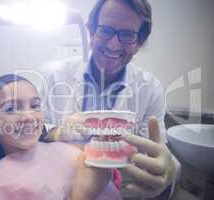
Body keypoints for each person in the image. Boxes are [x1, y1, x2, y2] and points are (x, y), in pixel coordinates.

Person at [41, 0, 180, 199]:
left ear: (138, 43)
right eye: (106, 31)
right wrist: (58, 132)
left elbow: (158, 150)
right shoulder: (57, 76)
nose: (113, 44)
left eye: (127, 35)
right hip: (60, 188)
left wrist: (168, 172)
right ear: (91, 32)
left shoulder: (150, 89)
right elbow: (40, 131)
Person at [0, 74, 122, 200]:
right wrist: (83, 194)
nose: (29, 116)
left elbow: (110, 179)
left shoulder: (68, 151)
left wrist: (106, 169)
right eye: (11, 108)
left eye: (35, 106)